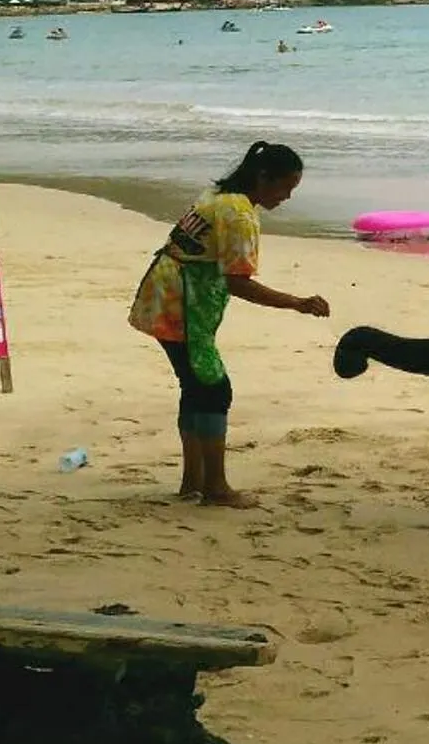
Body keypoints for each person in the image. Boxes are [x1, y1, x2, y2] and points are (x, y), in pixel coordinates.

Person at [126, 141, 330, 507]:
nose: (286, 197)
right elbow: (238, 282)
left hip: (164, 295)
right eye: (284, 188)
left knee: (195, 386)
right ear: (262, 178)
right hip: (180, 304)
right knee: (214, 389)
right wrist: (297, 303)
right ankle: (215, 487)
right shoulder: (238, 215)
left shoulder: (219, 195)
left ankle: (194, 481)